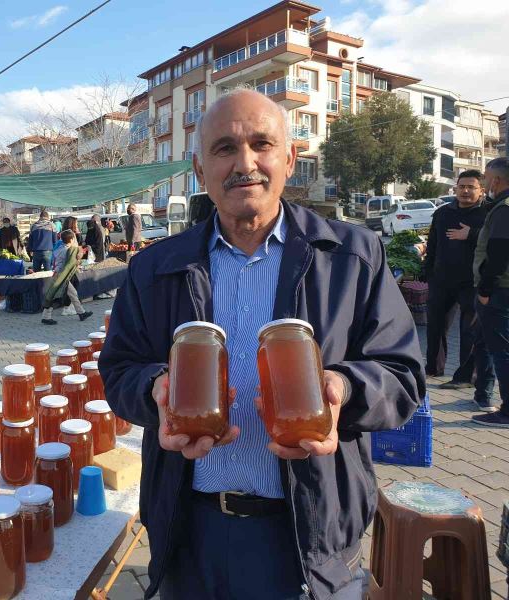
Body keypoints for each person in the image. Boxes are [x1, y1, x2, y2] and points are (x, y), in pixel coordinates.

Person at [98, 89, 424, 600]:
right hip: (191, 530)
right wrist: (155, 390)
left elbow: (403, 374)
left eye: (261, 144)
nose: (245, 163)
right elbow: (118, 367)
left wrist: (342, 389)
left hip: (309, 531)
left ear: (289, 158)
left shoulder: (351, 257)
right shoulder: (154, 268)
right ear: (200, 169)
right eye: (224, 148)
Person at [423, 170, 489, 386]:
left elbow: (497, 242)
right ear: (456, 188)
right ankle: (433, 368)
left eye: (471, 187)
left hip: (472, 281)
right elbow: (433, 245)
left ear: (482, 190)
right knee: (435, 326)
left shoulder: (489, 213)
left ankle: (466, 376)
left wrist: (471, 234)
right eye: (462, 187)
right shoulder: (443, 213)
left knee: (468, 330)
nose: (466, 191)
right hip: (442, 279)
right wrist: (428, 271)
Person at [472, 157, 509, 427]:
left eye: (485, 178)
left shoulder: (503, 210)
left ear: (496, 180)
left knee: (502, 352)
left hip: (499, 292)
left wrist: (485, 289)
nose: (485, 183)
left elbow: (498, 254)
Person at [40, 230, 93, 326]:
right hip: (62, 276)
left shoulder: (59, 249)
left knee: (70, 294)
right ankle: (46, 317)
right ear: (72, 239)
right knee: (54, 296)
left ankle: (81, 313)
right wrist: (80, 255)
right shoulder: (68, 250)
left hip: (58, 274)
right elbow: (72, 261)